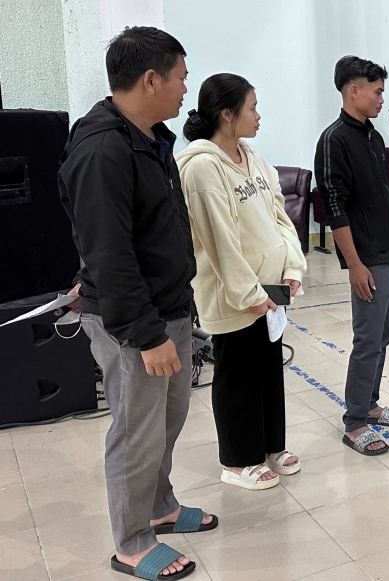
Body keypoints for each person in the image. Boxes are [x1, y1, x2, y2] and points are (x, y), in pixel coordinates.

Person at [58, 26, 215, 580]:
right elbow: (109, 252)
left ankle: (159, 506)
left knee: (166, 420)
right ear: (151, 79)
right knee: (136, 431)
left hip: (168, 308)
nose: (185, 89)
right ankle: (131, 542)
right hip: (134, 323)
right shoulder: (103, 148)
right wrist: (147, 335)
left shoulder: (150, 138)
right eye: (180, 79)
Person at [176, 73, 308, 490]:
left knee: (268, 370)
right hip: (234, 295)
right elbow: (219, 241)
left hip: (270, 291)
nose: (259, 115)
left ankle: (269, 447)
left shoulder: (253, 157)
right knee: (238, 376)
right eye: (252, 108)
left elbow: (280, 218)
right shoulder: (202, 166)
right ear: (227, 115)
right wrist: (248, 293)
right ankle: (236, 462)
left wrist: (291, 268)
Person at [315, 56, 389, 456]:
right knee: (368, 338)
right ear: (354, 90)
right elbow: (334, 207)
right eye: (377, 91)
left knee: (383, 336)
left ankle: (370, 404)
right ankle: (355, 421)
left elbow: (385, 199)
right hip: (365, 257)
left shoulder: (372, 137)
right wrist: (354, 264)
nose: (381, 99)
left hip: (386, 251)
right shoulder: (334, 140)